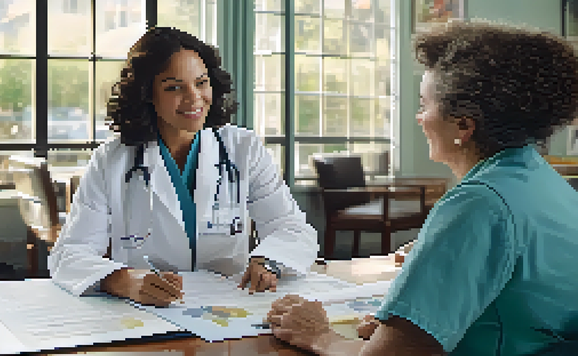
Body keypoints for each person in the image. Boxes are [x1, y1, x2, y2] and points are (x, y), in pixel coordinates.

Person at [265, 20, 578, 356]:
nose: (419, 118)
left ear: (463, 125)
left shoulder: (478, 203)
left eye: (424, 105)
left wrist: (317, 334)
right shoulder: (549, 184)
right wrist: (408, 326)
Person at [48, 27, 319, 307]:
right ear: (147, 94)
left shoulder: (243, 148)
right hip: (146, 313)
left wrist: (269, 260)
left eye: (201, 83)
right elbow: (69, 253)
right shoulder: (111, 161)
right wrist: (124, 280)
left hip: (229, 308)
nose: (193, 98)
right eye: (174, 87)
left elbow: (292, 228)